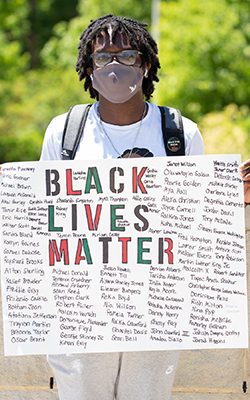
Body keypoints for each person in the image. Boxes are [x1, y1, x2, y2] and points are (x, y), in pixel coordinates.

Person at [39, 13, 245, 400]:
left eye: (128, 56)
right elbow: (45, 216)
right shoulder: (64, 133)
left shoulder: (180, 134)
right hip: (82, 309)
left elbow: (195, 218)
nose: (115, 66)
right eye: (103, 58)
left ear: (146, 64)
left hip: (156, 307)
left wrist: (230, 196)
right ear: (88, 68)